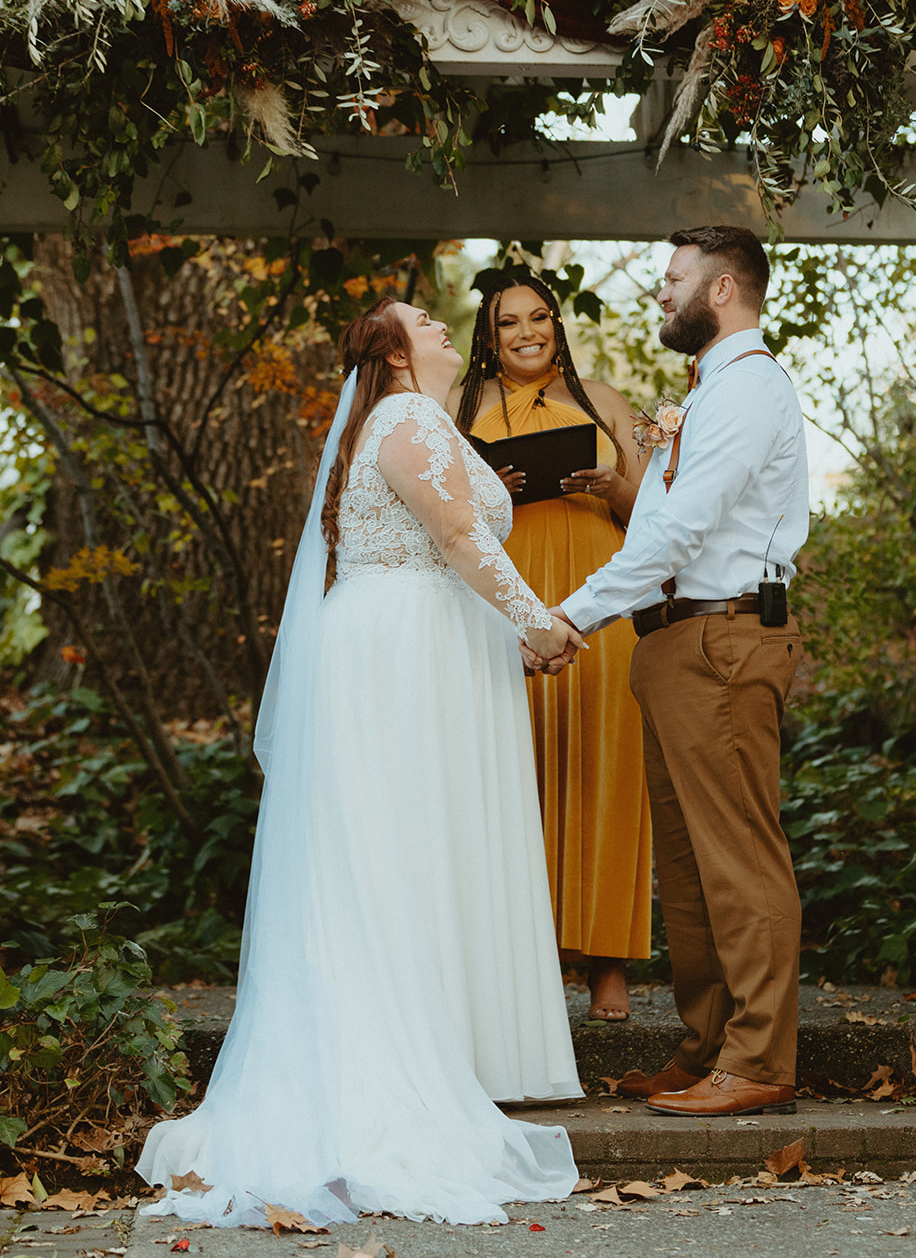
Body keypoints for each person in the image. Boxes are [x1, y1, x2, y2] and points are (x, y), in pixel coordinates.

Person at [136, 298, 583, 1227]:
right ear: (391, 351)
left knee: (410, 845)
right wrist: (538, 622)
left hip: (418, 640)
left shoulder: (414, 420)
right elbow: (460, 539)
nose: (443, 322)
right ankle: (402, 1067)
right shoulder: (409, 415)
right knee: (403, 848)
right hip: (403, 652)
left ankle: (449, 1045)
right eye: (423, 317)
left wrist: (513, 628)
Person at [541, 226, 809, 1118]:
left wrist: (570, 614)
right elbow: (652, 521)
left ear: (723, 289)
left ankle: (760, 1059)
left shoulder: (750, 388)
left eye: (674, 279)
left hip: (722, 639)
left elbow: (677, 533)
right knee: (689, 871)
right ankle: (707, 1048)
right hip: (669, 642)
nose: (661, 293)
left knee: (739, 858)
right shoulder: (701, 393)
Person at [450, 274, 653, 1023]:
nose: (527, 332)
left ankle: (606, 964)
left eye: (540, 317)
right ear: (489, 334)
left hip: (599, 603)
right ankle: (517, 960)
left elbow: (653, 516)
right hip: (505, 599)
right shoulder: (459, 408)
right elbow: (438, 515)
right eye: (510, 323)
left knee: (606, 770)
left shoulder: (601, 399)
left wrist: (609, 486)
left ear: (557, 325)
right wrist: (487, 492)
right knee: (509, 770)